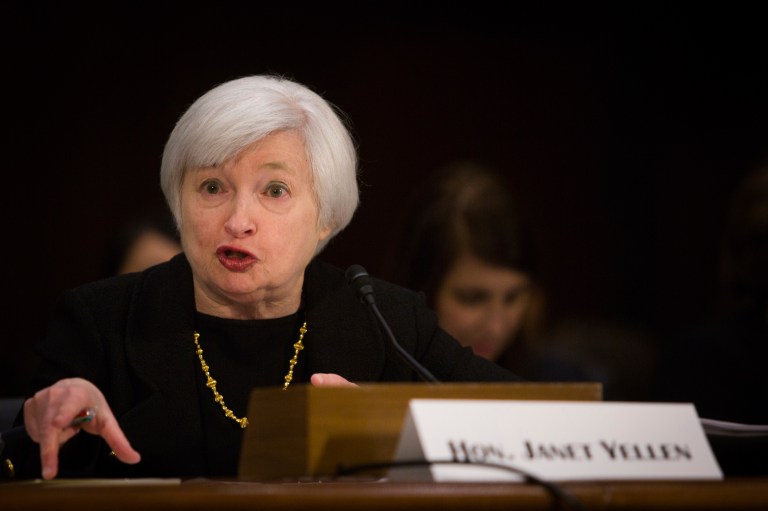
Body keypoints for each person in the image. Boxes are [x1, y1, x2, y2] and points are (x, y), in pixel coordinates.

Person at [5, 75, 521, 481]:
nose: (238, 220)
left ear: (326, 216)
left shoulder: (387, 321)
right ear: (178, 205)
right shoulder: (101, 324)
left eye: (274, 190)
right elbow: (24, 467)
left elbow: (540, 427)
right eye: (212, 186)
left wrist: (395, 427)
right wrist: (54, 429)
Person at [394, 161, 547, 374]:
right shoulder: (365, 382)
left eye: (512, 297)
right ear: (420, 288)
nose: (496, 328)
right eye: (472, 298)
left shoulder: (560, 381)